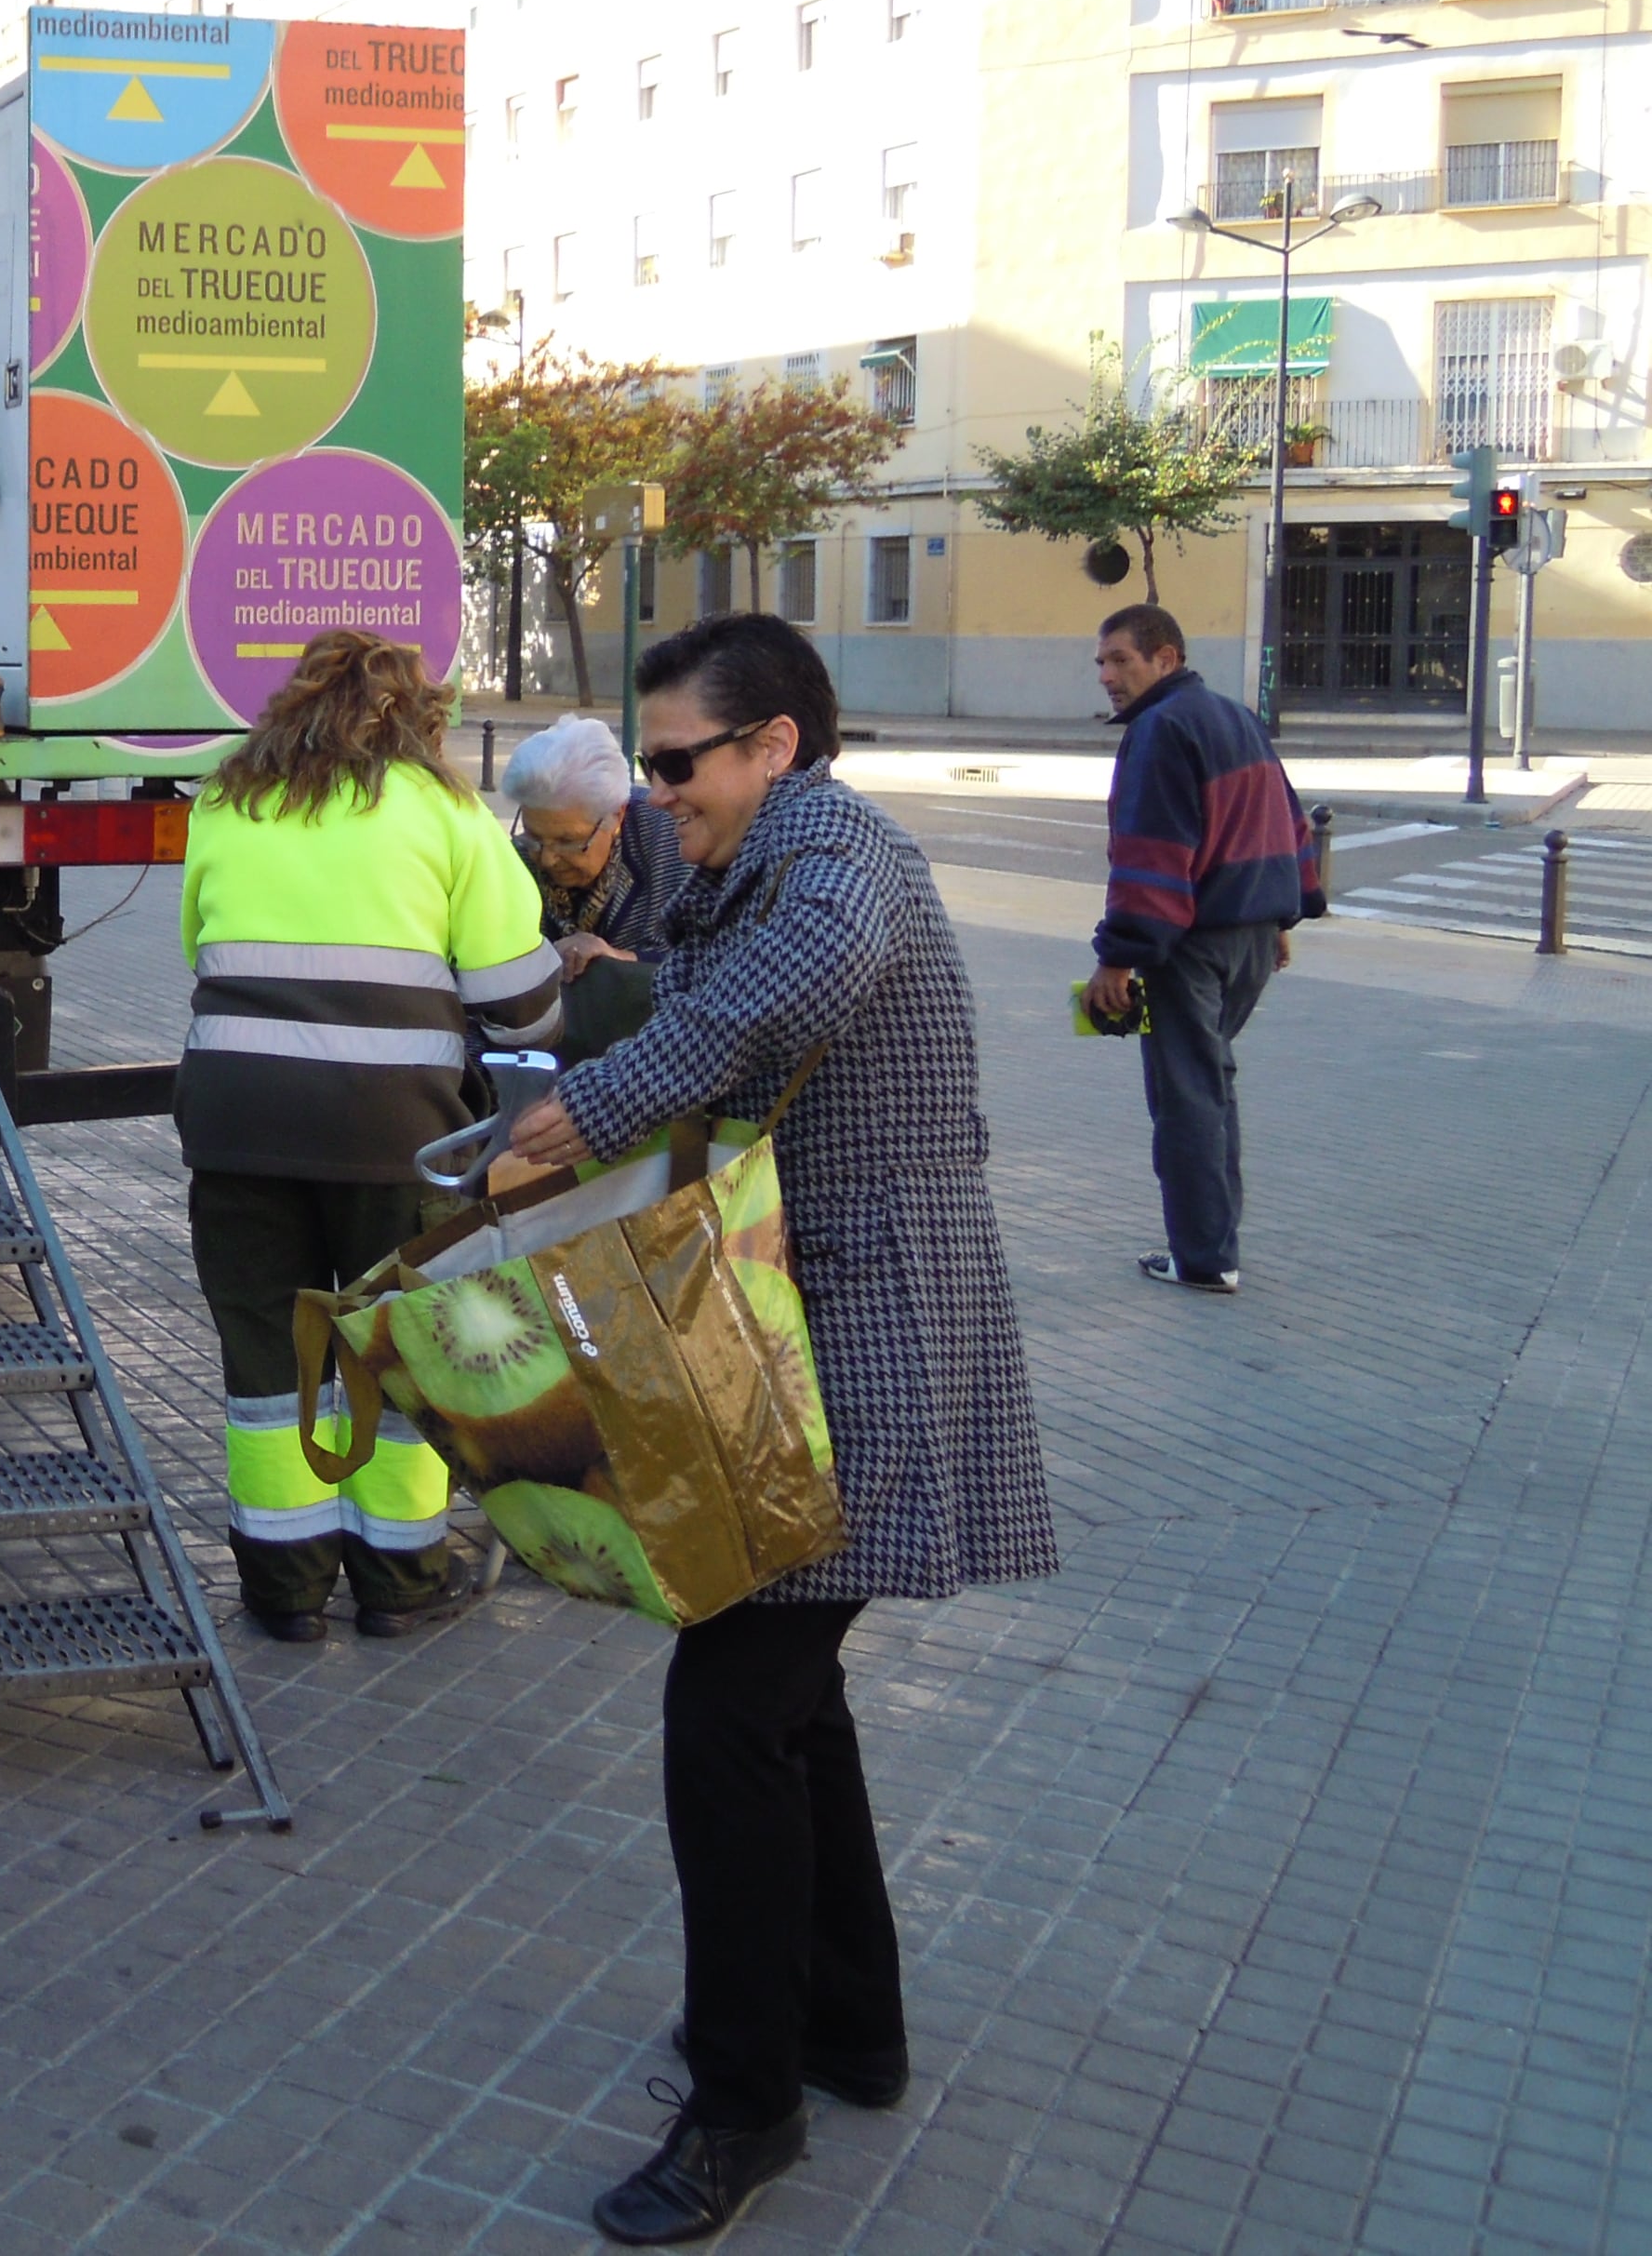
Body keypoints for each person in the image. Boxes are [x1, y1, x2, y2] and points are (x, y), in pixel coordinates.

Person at [498, 613, 1058, 2246]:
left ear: (774, 749)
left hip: (872, 1334)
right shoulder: (762, 852)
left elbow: (783, 996)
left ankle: (746, 2105)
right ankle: (851, 2027)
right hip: (806, 1333)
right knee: (791, 1703)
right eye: (652, 766)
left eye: (677, 764)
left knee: (728, 1714)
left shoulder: (841, 855)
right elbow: (719, 988)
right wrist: (624, 997)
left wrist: (580, 1114)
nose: (659, 795)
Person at [177, 629, 563, 1641]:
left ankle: (284, 1590)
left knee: (266, 1362)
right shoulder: (444, 812)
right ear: (416, 717)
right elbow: (516, 998)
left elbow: (196, 945)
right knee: (400, 1357)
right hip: (394, 1142)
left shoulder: (226, 798)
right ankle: (397, 1586)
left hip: (235, 1129)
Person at [1086, 602, 1323, 1293]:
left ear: (1167, 659)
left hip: (1188, 947)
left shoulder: (1160, 730)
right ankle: (1215, 1242)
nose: (1105, 675)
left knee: (1186, 1096)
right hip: (1250, 937)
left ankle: (1204, 1258)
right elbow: (1287, 822)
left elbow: (1150, 857)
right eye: (1100, 662)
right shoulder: (1234, 717)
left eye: (1120, 659)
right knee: (1211, 1086)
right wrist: (1283, 913)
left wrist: (1117, 958)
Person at [500, 715, 692, 1056]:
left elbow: (715, 964)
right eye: (534, 837)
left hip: (656, 1055)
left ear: (617, 815)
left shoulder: (674, 845)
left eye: (567, 841)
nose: (547, 859)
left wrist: (621, 959)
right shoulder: (516, 860)